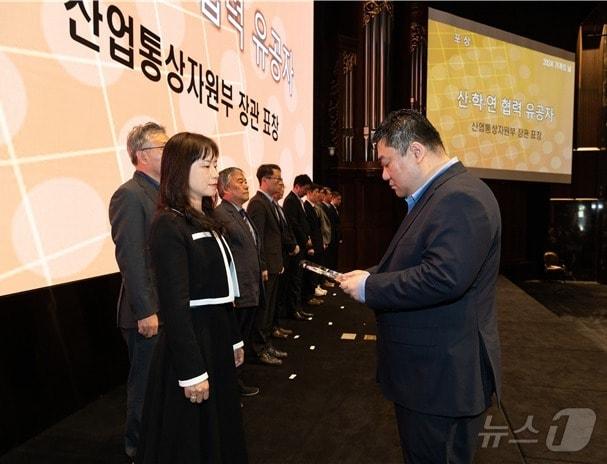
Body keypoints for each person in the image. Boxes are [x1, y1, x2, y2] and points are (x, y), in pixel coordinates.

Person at [339, 109, 502, 464]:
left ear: (415, 151)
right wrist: (367, 276)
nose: (383, 175)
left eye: (386, 163)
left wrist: (371, 289)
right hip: (429, 378)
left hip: (441, 382)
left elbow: (444, 277)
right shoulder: (438, 196)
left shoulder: (460, 197)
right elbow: (414, 263)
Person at [137, 132, 247, 463]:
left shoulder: (208, 219)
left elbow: (221, 289)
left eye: (216, 164)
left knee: (218, 429)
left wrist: (234, 338)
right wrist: (191, 371)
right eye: (206, 165)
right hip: (193, 344)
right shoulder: (169, 224)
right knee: (189, 438)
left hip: (215, 338)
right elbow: (174, 305)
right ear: (181, 168)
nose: (215, 173)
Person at [108, 121, 168, 462]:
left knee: (161, 383)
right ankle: (138, 447)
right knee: (144, 385)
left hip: (167, 309)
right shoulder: (129, 195)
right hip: (146, 313)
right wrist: (145, 310)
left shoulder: (163, 194)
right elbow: (131, 257)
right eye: (163, 147)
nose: (171, 152)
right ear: (141, 155)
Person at [214, 167, 263, 396]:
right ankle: (233, 383)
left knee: (243, 336)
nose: (246, 185)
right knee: (236, 339)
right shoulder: (221, 214)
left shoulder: (241, 213)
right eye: (240, 181)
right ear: (224, 188)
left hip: (250, 286)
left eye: (246, 181)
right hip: (238, 290)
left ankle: (237, 379)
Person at [246, 164, 288, 365]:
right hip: (267, 267)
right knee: (263, 312)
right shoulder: (257, 204)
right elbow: (258, 238)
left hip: (274, 264)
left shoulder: (269, 203)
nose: (280, 182)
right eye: (276, 179)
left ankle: (266, 344)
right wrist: (262, 264)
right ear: (264, 180)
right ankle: (258, 349)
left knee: (270, 309)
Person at [283, 174, 315, 319]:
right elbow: (293, 224)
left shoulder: (297, 200)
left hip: (301, 245)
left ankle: (297, 307)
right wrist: (304, 240)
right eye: (305, 189)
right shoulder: (290, 200)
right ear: (298, 186)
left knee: (298, 278)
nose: (306, 192)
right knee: (295, 279)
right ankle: (294, 309)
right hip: (296, 246)